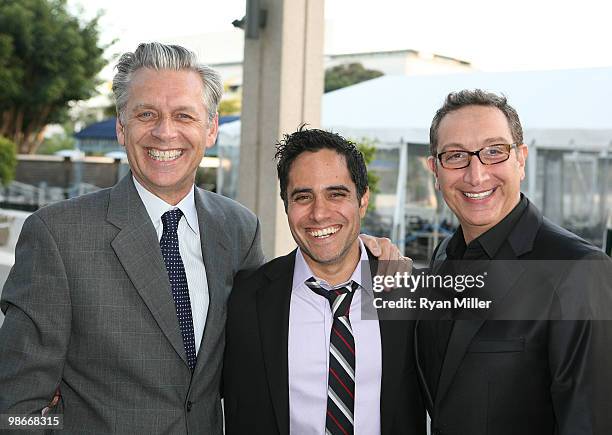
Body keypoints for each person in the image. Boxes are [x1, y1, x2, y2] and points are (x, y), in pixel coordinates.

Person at [0, 42, 398, 434]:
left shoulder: (238, 228)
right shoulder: (58, 234)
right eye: (146, 114)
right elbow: (16, 407)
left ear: (210, 130)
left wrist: (365, 258)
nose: (164, 132)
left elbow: (263, 339)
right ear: (122, 128)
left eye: (184, 116)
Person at [416, 89, 612, 435]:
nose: (476, 175)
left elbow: (589, 422)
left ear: (521, 159)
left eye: (494, 152)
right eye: (456, 156)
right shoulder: (443, 255)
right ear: (435, 170)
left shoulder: (578, 268)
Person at [223, 127, 425, 435]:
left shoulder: (405, 290)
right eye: (303, 197)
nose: (319, 213)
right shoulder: (245, 298)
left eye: (336, 194)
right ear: (287, 207)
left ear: (363, 200)